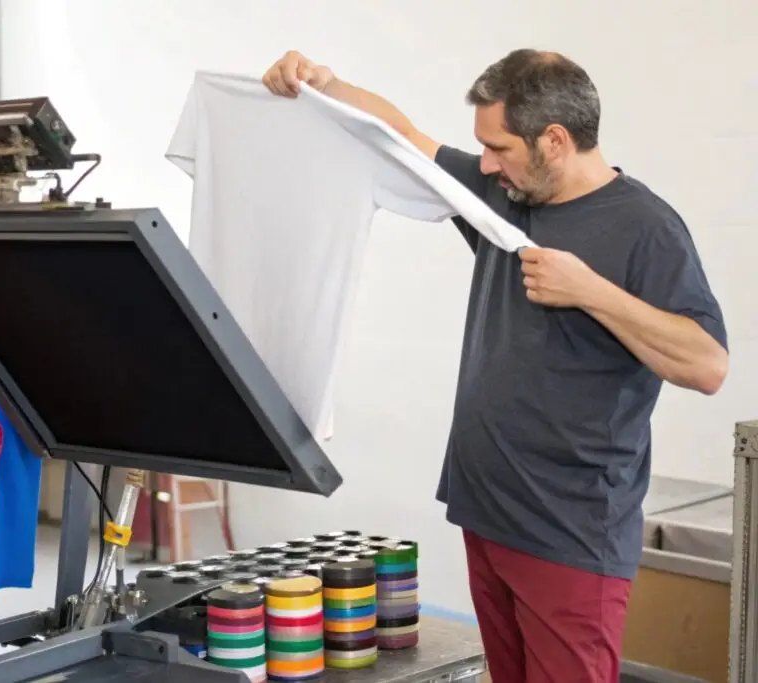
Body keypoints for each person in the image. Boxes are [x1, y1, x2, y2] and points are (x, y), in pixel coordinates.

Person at [263, 49, 729, 683]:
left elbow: (707, 365)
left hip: (569, 534)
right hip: (487, 513)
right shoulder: (501, 192)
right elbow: (403, 137)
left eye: (499, 147)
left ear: (556, 140)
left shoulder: (645, 228)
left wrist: (589, 289)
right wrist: (323, 85)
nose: (484, 162)